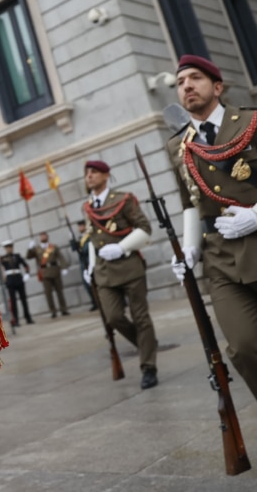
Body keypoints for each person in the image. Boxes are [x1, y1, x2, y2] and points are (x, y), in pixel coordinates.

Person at [166, 54, 257, 400]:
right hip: (220, 260)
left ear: (217, 87)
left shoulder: (250, 122)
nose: (186, 85)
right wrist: (189, 249)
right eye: (180, 82)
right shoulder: (178, 145)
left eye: (195, 78)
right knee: (245, 347)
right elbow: (190, 202)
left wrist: (256, 214)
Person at [81, 160, 157, 389]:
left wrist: (122, 248)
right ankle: (147, 344)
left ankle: (149, 366)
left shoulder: (124, 199)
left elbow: (145, 229)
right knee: (112, 317)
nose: (89, 176)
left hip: (129, 267)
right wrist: (91, 267)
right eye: (87, 173)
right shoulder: (87, 207)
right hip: (103, 272)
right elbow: (94, 240)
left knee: (141, 317)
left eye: (94, 172)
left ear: (106, 175)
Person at [26, 231, 69, 318]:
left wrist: (64, 267)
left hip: (55, 270)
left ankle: (63, 309)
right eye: (41, 236)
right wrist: (30, 248)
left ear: (47, 237)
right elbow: (28, 256)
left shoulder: (53, 247)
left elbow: (60, 257)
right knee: (48, 294)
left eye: (44, 236)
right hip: (45, 273)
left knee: (59, 291)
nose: (43, 237)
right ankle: (53, 311)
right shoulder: (36, 249)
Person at [0, 240, 34, 325]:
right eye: (7, 247)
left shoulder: (17, 256)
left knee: (24, 300)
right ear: (5, 249)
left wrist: (27, 274)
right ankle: (15, 320)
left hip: (19, 279)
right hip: (10, 281)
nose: (9, 249)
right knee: (13, 301)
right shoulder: (3, 258)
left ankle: (28, 317)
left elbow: (26, 265)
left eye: (10, 247)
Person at [70, 220, 97, 311]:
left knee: (97, 282)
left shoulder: (89, 236)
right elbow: (74, 249)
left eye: (81, 226)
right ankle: (94, 302)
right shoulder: (80, 238)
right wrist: (72, 240)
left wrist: (81, 249)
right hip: (83, 263)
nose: (79, 228)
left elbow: (86, 249)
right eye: (79, 227)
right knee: (87, 284)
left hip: (91, 261)